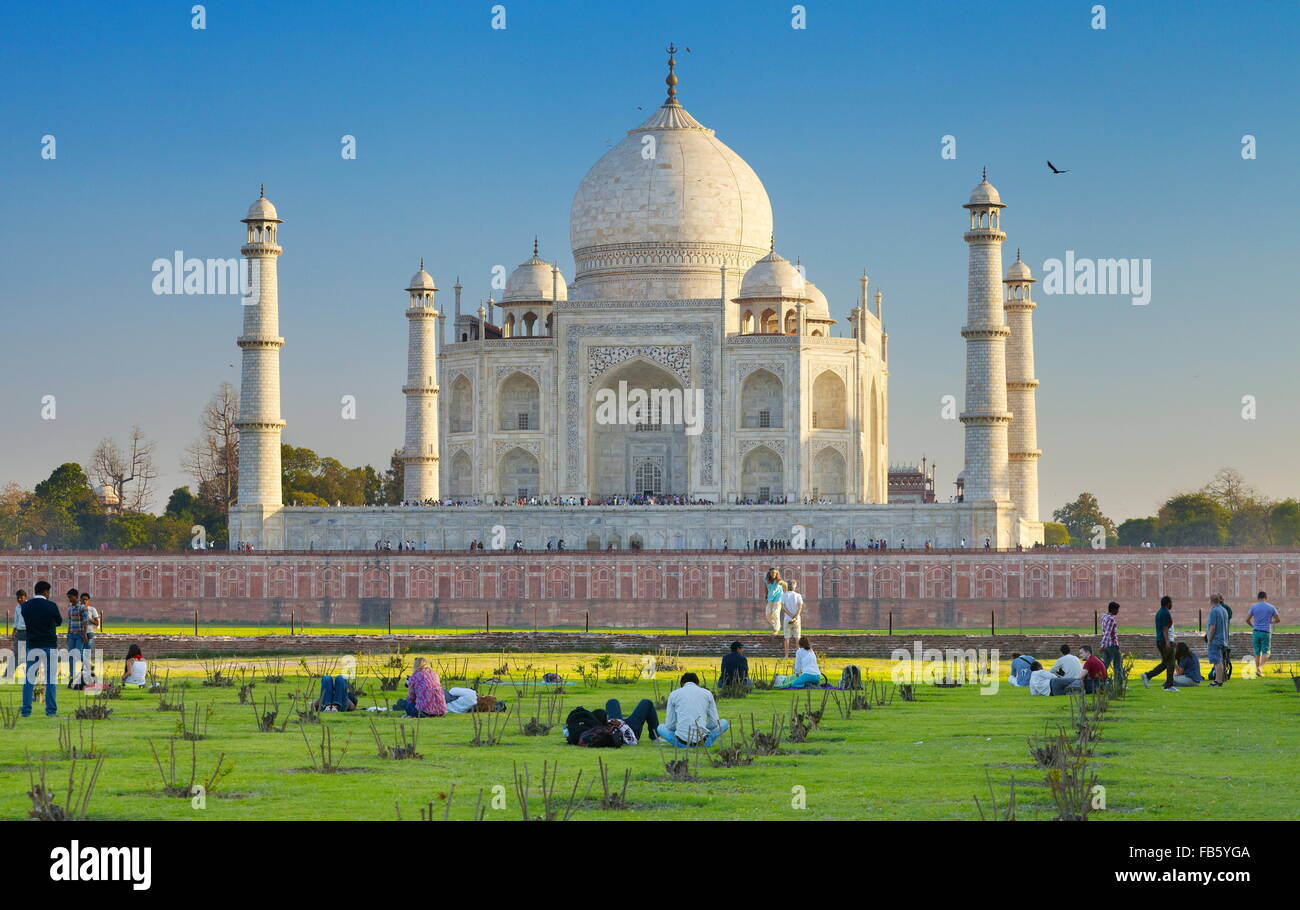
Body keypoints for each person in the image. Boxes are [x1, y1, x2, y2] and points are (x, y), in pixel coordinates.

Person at [19, 581, 61, 717]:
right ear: (45, 592)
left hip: (32, 645)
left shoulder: (25, 606)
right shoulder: (51, 606)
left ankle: (26, 710)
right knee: (50, 680)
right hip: (49, 645)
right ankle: (50, 711)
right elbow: (59, 621)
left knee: (29, 679)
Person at [656, 672, 729, 747]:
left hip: (681, 743)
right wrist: (703, 727)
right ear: (697, 683)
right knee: (724, 723)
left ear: (681, 684)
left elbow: (670, 725)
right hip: (703, 741)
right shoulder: (707, 694)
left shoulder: (674, 694)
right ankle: (706, 740)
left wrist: (681, 728)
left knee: (660, 727)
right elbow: (714, 723)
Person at [1140, 596, 1178, 691]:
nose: (1172, 605)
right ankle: (1168, 685)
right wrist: (1168, 643)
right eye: (1171, 602)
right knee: (1171, 663)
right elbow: (1165, 629)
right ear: (1167, 603)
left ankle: (1148, 675)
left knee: (1166, 663)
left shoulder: (1159, 613)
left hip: (1161, 640)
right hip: (1165, 641)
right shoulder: (1165, 613)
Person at [1246, 592, 1280, 673]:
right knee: (1266, 652)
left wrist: (1253, 626)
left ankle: (1258, 671)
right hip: (1266, 632)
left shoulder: (1254, 607)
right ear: (1266, 597)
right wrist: (1271, 622)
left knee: (1257, 652)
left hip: (1256, 632)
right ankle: (1260, 667)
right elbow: (1278, 619)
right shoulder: (1271, 607)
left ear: (1258, 598)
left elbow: (1247, 620)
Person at [65, 588, 90, 688]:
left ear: (75, 596)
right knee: (71, 655)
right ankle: (73, 676)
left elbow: (85, 622)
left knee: (78, 654)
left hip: (80, 634)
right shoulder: (70, 608)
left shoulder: (83, 608)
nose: (69, 599)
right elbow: (70, 622)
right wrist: (68, 634)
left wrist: (84, 634)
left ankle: (87, 665)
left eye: (70, 597)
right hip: (72, 634)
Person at [1205, 594, 1230, 688]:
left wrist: (1209, 639)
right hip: (1223, 638)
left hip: (1215, 639)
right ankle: (1219, 679)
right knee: (1220, 660)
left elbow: (1212, 627)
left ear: (1211, 601)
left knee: (1217, 661)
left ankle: (1218, 681)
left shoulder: (1214, 611)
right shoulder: (1224, 610)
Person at [781, 579, 805, 658]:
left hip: (787, 619)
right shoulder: (798, 595)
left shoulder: (784, 595)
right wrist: (795, 616)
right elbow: (800, 607)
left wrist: (790, 615)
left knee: (786, 638)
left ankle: (786, 655)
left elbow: (783, 607)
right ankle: (798, 656)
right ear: (795, 586)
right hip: (797, 619)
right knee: (797, 637)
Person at [1099, 601, 1122, 682]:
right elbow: (1107, 633)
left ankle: (1099, 682)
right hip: (1112, 645)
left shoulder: (1104, 616)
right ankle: (1118, 685)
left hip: (1107, 646)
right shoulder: (1111, 619)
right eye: (1117, 610)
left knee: (1104, 665)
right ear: (1113, 610)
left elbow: (1104, 631)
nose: (1118, 611)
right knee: (1117, 665)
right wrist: (1102, 645)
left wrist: (1103, 645)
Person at [764, 569, 785, 634]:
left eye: (775, 573)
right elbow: (766, 589)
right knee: (768, 614)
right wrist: (766, 597)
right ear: (770, 573)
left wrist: (787, 593)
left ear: (777, 574)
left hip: (778, 598)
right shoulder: (767, 581)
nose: (773, 574)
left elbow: (786, 585)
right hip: (770, 598)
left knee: (775, 613)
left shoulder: (779, 580)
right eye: (772, 573)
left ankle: (776, 629)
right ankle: (775, 625)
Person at [12, 589, 27, 665]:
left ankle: (33, 672)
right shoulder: (17, 608)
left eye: (21, 597)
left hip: (28, 633)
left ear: (25, 597)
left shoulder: (30, 606)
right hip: (19, 633)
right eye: (18, 598)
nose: (19, 599)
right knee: (16, 653)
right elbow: (16, 621)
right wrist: (13, 633)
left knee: (30, 653)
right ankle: (9, 672)